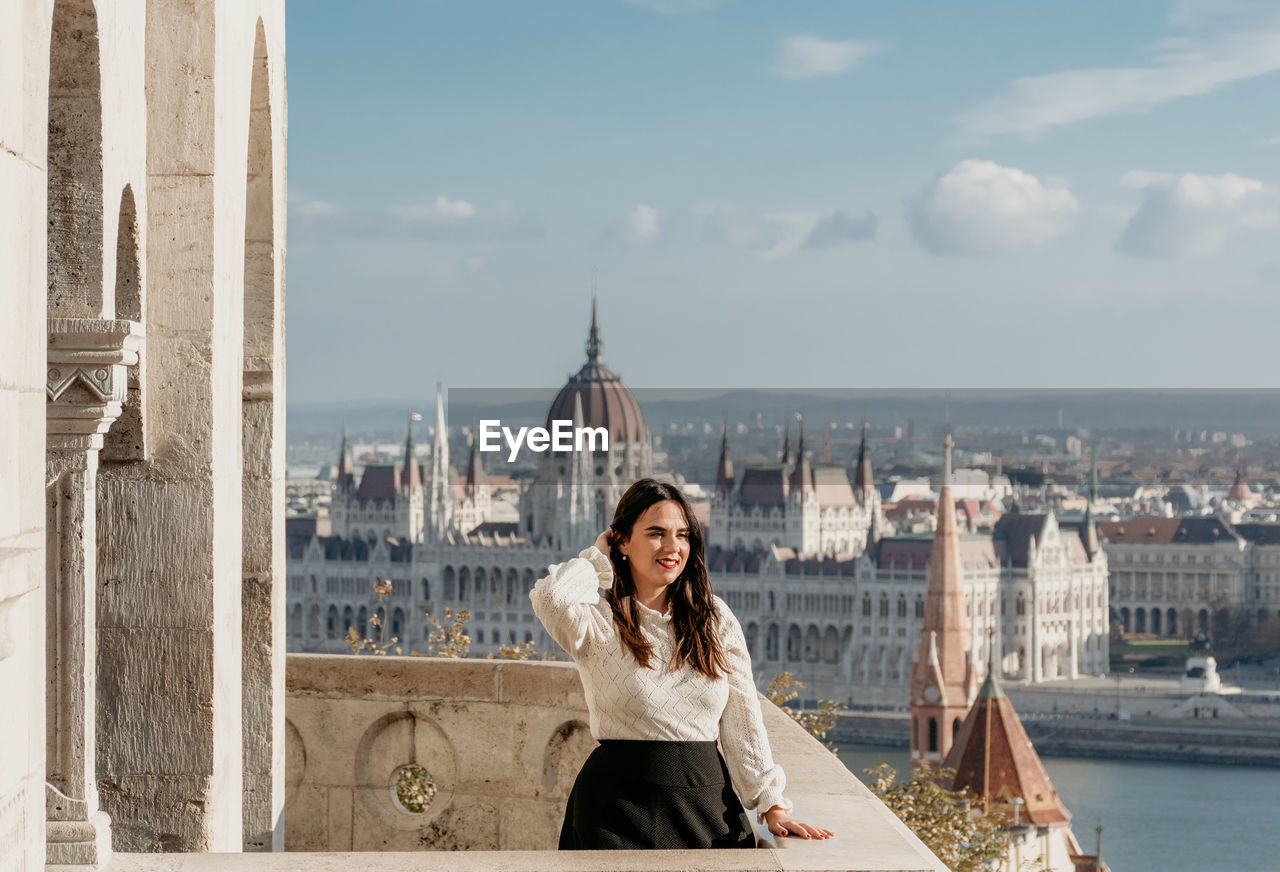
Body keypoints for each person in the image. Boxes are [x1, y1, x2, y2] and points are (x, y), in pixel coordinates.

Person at [531, 477, 833, 850]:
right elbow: (551, 599)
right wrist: (596, 559)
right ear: (622, 541)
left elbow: (743, 720)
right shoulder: (597, 621)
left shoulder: (715, 618)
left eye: (684, 535)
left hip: (706, 805)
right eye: (656, 533)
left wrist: (773, 806)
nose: (673, 547)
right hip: (615, 811)